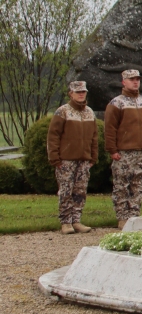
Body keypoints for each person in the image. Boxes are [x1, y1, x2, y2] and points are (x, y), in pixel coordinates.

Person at [104, 69, 142, 228]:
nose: (135, 82)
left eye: (137, 79)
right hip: (123, 152)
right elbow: (110, 128)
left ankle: (134, 216)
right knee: (121, 185)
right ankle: (122, 217)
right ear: (124, 82)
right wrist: (112, 150)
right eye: (132, 79)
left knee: (138, 185)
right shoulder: (116, 103)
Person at [47, 81, 98, 234]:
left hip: (84, 159)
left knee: (80, 190)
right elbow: (53, 136)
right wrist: (55, 158)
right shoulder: (62, 112)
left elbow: (94, 137)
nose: (81, 94)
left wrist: (93, 157)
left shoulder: (90, 112)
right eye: (78, 92)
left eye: (83, 91)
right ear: (71, 93)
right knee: (66, 190)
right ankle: (65, 222)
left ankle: (76, 220)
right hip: (66, 159)